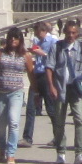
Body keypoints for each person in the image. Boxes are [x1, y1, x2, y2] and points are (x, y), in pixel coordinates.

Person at [0, 28, 32, 164]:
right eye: (11, 37)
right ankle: (2, 149)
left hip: (16, 92)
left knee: (14, 122)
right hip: (0, 93)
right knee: (0, 125)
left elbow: (31, 73)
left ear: (20, 40)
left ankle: (11, 154)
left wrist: (37, 92)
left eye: (16, 38)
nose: (13, 40)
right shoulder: (0, 53)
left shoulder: (25, 55)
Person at [48, 20, 82, 164]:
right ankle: (61, 151)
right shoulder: (56, 47)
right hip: (60, 88)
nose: (71, 35)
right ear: (64, 32)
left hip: (76, 88)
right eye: (68, 33)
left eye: (74, 33)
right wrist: (51, 87)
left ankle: (80, 153)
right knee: (59, 122)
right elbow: (49, 68)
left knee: (79, 119)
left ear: (77, 33)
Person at [20, 20, 54, 149]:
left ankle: (58, 136)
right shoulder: (37, 42)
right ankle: (27, 138)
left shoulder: (53, 41)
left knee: (50, 108)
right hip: (37, 74)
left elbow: (56, 58)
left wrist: (43, 53)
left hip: (47, 75)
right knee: (30, 107)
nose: (36, 36)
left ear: (43, 31)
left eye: (38, 33)